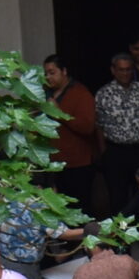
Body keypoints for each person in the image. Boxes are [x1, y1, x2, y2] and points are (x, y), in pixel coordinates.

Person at [93, 52, 139, 216]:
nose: (125, 73)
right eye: (121, 70)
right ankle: (120, 233)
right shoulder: (104, 94)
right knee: (117, 196)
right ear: (113, 70)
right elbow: (98, 125)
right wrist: (103, 152)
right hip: (116, 152)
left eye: (128, 69)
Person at [40, 55, 101, 212]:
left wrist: (59, 112)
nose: (48, 77)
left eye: (52, 72)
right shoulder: (45, 94)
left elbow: (87, 127)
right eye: (46, 73)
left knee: (79, 209)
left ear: (64, 71)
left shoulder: (81, 94)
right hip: (53, 163)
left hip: (77, 164)